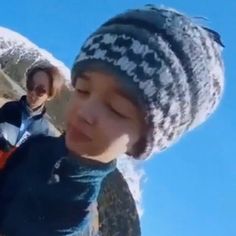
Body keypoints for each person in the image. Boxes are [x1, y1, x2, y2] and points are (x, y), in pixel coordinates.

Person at [0, 5, 225, 235]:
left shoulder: (78, 220)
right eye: (83, 90)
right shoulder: (35, 148)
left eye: (116, 108)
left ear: (141, 144)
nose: (85, 112)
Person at [0, 64, 63, 169]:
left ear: (50, 96)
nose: (33, 92)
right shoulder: (8, 108)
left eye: (40, 90)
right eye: (30, 85)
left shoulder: (46, 132)